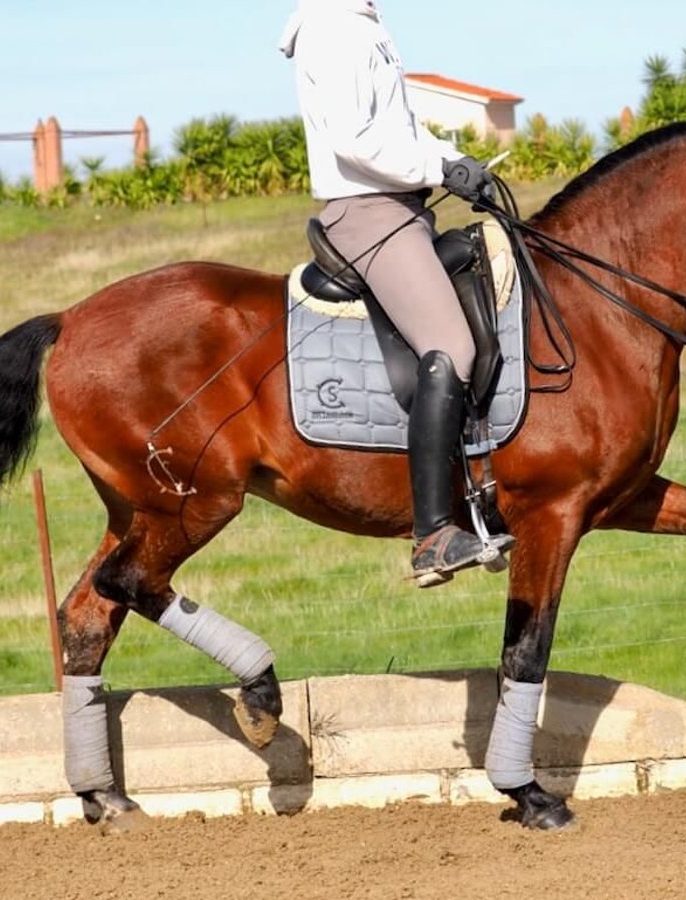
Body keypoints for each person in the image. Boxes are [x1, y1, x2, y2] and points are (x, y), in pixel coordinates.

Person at [279, 0, 513, 587]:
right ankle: (433, 536)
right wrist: (434, 172)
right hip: (369, 213)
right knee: (451, 345)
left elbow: (400, 129)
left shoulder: (364, 23)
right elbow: (356, 141)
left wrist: (456, 161)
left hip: (399, 208)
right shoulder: (332, 28)